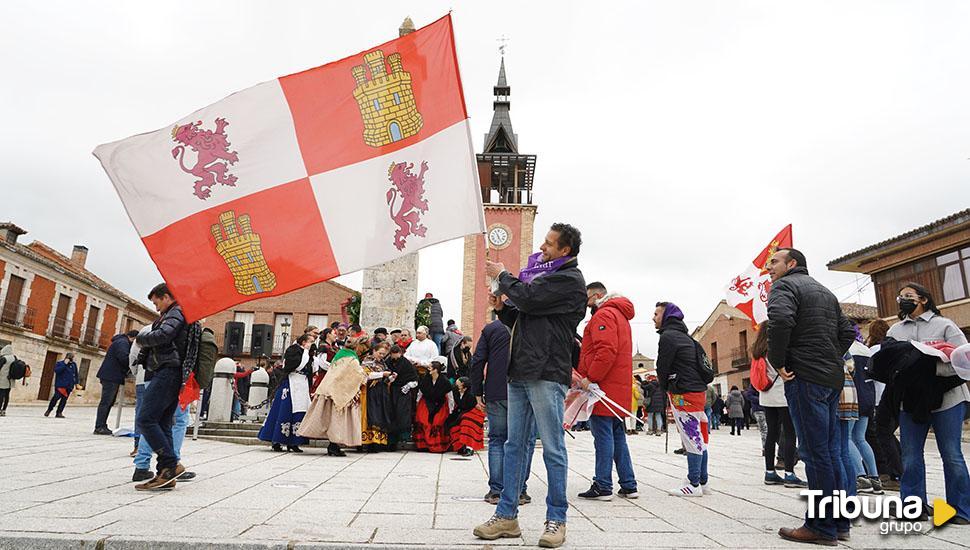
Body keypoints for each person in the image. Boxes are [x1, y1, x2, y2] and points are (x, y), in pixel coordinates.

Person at [474, 223, 586, 549]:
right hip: (520, 369)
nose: (543, 246)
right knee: (513, 445)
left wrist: (505, 275)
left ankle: (557, 519)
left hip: (547, 372)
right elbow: (526, 314)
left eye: (550, 244)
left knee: (552, 448)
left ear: (565, 250)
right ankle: (506, 515)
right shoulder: (543, 276)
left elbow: (532, 300)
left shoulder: (568, 280)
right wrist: (503, 310)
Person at [766, 248, 856, 545]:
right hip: (830, 378)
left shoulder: (784, 285)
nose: (769, 268)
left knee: (815, 454)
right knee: (829, 452)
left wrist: (779, 361)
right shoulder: (825, 291)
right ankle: (840, 523)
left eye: (774, 262)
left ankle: (820, 527)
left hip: (804, 376)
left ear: (792, 264)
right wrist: (831, 356)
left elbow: (779, 321)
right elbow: (847, 331)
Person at [885, 283, 970, 524]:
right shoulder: (895, 331)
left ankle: (961, 509)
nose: (902, 300)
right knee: (910, 455)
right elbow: (888, 362)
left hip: (947, 397)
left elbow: (964, 358)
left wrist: (933, 361)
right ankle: (913, 506)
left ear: (922, 299)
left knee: (951, 454)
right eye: (900, 296)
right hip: (911, 399)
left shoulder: (945, 325)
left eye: (908, 296)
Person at [576, 282, 638, 501]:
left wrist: (590, 377)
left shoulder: (603, 315)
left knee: (602, 436)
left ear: (598, 295)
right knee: (618, 435)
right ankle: (629, 484)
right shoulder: (620, 315)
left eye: (587, 299)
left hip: (603, 388)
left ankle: (603, 485)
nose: (586, 304)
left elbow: (605, 350)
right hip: (617, 387)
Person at [470, 314, 536, 505]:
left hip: (496, 390)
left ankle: (496, 491)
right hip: (525, 390)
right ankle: (520, 490)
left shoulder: (492, 329)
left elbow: (478, 360)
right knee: (525, 441)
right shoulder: (532, 322)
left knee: (497, 439)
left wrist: (477, 391)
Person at [134, 283, 193, 491]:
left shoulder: (175, 312)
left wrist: (141, 339)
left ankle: (170, 464)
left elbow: (164, 335)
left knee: (145, 418)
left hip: (168, 370)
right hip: (171, 371)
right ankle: (165, 474)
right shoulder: (176, 312)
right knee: (163, 422)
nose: (156, 307)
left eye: (156, 302)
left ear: (166, 297)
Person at [655, 302, 711, 496]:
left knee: (690, 436)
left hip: (683, 393)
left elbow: (662, 367)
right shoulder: (686, 338)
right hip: (697, 391)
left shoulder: (668, 337)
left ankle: (694, 483)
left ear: (666, 317)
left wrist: (663, 388)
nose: (653, 318)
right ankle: (702, 480)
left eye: (656, 314)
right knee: (700, 436)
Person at [751, 327, 805, 488]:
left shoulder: (758, 351)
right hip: (783, 395)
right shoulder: (778, 349)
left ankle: (769, 472)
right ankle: (789, 473)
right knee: (789, 433)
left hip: (766, 396)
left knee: (771, 434)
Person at [298, 337, 369, 456]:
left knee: (329, 419)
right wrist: (366, 375)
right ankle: (334, 446)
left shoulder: (339, 355)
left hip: (327, 390)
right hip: (340, 394)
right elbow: (358, 375)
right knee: (337, 420)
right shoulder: (352, 359)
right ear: (358, 347)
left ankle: (333, 445)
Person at [259, 333, 313, 452]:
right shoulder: (293, 350)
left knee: (300, 411)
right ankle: (277, 441)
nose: (312, 344)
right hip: (291, 383)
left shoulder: (308, 353)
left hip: (302, 384)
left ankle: (294, 442)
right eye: (311, 341)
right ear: (304, 342)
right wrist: (305, 352)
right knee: (284, 409)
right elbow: (298, 366)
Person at [866, 319, 901, 491]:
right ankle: (899, 469)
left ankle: (894, 473)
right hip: (898, 397)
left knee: (883, 435)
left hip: (880, 399)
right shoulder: (893, 349)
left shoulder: (872, 351)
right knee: (889, 435)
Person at [847, 335, 883, 495]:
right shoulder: (865, 349)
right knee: (860, 438)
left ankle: (860, 476)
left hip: (851, 397)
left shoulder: (845, 349)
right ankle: (875, 478)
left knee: (846, 437)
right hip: (868, 397)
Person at [93, 330, 138, 434]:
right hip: (111, 376)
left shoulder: (120, 342)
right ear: (133, 338)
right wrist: (134, 361)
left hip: (111, 376)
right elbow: (124, 358)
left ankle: (102, 425)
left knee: (108, 402)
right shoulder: (122, 343)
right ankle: (99, 427)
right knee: (106, 402)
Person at [412, 358, 453, 452]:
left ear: (436, 370)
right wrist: (417, 404)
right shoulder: (425, 379)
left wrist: (450, 409)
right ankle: (423, 445)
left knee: (437, 421)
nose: (428, 369)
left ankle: (436, 446)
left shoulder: (445, 381)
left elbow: (450, 396)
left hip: (440, 403)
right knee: (423, 419)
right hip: (426, 402)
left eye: (430, 368)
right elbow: (420, 392)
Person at [360, 341, 393, 452]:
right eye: (380, 353)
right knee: (371, 415)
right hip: (370, 392)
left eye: (384, 354)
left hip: (381, 392)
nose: (381, 356)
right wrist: (382, 374)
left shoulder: (383, 363)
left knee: (379, 416)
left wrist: (391, 377)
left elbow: (385, 378)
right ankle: (367, 442)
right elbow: (365, 375)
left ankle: (377, 442)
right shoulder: (367, 361)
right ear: (374, 351)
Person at [385, 344, 418, 450]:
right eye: (393, 356)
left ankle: (403, 437)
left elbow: (414, 379)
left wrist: (408, 386)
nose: (394, 359)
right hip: (391, 391)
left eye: (396, 356)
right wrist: (389, 379)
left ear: (400, 354)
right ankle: (391, 441)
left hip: (403, 392)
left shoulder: (406, 364)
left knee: (402, 414)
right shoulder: (388, 362)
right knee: (390, 415)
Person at [446, 376, 484, 457]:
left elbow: (470, 406)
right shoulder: (455, 391)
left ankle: (469, 447)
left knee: (466, 423)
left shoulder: (471, 394)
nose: (456, 384)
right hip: (462, 411)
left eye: (458, 383)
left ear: (463, 385)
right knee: (453, 425)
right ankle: (460, 446)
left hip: (473, 412)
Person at [45, 352, 78, 418]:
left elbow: (76, 374)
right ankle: (49, 409)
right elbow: (57, 371)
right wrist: (64, 364)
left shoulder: (74, 365)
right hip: (60, 385)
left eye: (72, 358)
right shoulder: (60, 363)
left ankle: (59, 412)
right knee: (56, 398)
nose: (71, 359)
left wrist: (76, 383)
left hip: (69, 386)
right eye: (70, 357)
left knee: (64, 400)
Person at [746, 385, 767, 450]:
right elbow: (749, 396)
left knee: (770, 429)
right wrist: (761, 399)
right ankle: (765, 448)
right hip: (758, 409)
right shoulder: (754, 385)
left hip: (768, 408)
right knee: (764, 429)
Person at [0, 344, 15, 417]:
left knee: (1, 395)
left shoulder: (4, 358)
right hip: (10, 380)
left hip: (2, 380)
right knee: (7, 396)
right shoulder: (14, 358)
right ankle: (4, 410)